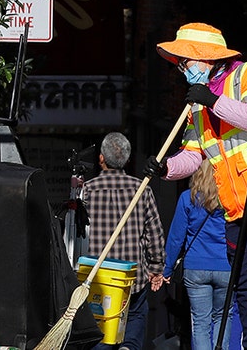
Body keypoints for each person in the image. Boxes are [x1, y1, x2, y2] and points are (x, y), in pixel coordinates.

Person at [146, 23, 247, 350]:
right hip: (236, 208)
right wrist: (165, 168)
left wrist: (212, 100)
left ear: (206, 59)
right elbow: (192, 157)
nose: (181, 70)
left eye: (185, 62)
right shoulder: (196, 108)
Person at [81, 131, 165, 350]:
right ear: (128, 160)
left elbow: (76, 234)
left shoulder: (86, 191)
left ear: (101, 158)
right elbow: (154, 233)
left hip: (99, 277)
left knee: (101, 327)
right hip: (132, 278)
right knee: (135, 320)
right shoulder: (142, 189)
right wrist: (156, 268)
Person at [156, 159, 239, 350]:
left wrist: (167, 269)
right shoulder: (229, 198)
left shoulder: (187, 198)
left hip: (195, 268)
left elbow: (176, 237)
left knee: (200, 323)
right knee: (223, 317)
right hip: (226, 266)